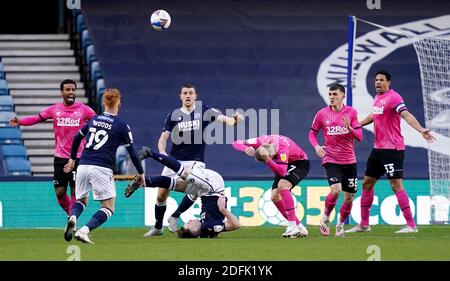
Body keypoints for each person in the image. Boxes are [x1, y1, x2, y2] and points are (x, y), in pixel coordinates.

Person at [143, 83, 243, 237]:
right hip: (175, 159)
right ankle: (158, 227)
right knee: (161, 194)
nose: (188, 96)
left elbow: (228, 121)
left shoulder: (204, 110)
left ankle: (175, 215)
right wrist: (163, 154)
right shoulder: (173, 114)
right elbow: (163, 138)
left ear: (195, 96)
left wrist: (235, 120)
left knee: (196, 190)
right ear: (180, 96)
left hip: (195, 161)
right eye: (185, 93)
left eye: (191, 93)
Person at [346, 70, 436, 234]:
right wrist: (356, 126)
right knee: (367, 183)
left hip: (392, 149)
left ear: (388, 82)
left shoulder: (394, 97)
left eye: (381, 80)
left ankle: (411, 225)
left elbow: (406, 115)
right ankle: (364, 224)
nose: (377, 83)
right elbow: (374, 116)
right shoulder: (378, 99)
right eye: (376, 80)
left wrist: (420, 129)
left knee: (395, 185)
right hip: (378, 149)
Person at [62, 88, 144, 243]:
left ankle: (73, 217)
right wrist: (140, 172)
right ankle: (84, 231)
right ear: (118, 104)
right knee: (108, 207)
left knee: (80, 200)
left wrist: (72, 158)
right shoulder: (121, 126)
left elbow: (76, 137)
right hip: (101, 167)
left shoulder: (94, 119)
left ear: (104, 102)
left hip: (83, 165)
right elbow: (132, 152)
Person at [9, 79, 95, 216]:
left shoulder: (84, 110)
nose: (71, 92)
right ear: (61, 92)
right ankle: (71, 217)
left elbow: (97, 122)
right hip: (60, 157)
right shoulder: (54, 109)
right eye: (68, 90)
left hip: (78, 158)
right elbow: (36, 118)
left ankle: (73, 219)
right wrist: (20, 121)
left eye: (73, 89)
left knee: (75, 192)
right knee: (60, 193)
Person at [125, 149, 240, 238]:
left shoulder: (205, 229)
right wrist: (223, 210)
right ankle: (150, 153)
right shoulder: (208, 227)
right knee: (184, 174)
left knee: (174, 185)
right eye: (188, 224)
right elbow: (236, 225)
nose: (189, 220)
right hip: (213, 187)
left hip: (205, 192)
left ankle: (142, 183)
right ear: (195, 230)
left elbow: (194, 198)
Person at [309, 84, 362, 237]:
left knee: (349, 198)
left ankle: (340, 225)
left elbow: (359, 137)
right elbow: (312, 134)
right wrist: (316, 146)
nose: (331, 97)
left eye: (335, 94)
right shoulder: (322, 114)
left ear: (342, 96)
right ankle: (325, 218)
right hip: (330, 158)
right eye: (330, 94)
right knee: (336, 190)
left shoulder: (351, 113)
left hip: (349, 160)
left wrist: (350, 128)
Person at [232, 135, 309, 238]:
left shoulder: (282, 149)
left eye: (273, 158)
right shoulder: (262, 140)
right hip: (285, 163)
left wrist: (268, 159)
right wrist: (245, 148)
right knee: (274, 196)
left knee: (283, 186)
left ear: (272, 154)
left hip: (300, 163)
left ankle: (292, 226)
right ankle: (300, 227)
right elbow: (236, 142)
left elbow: (281, 172)